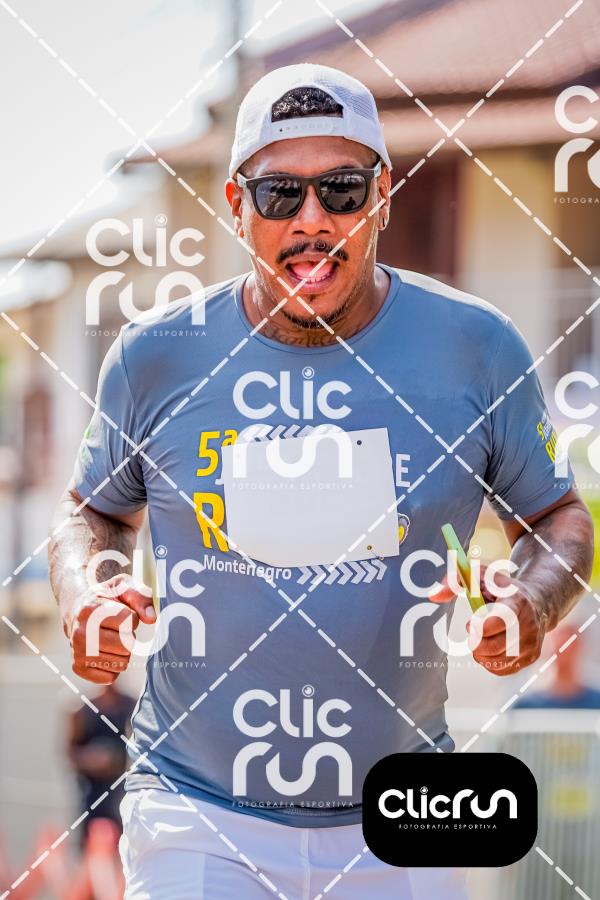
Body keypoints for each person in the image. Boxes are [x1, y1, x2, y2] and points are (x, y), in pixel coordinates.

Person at [49, 64, 594, 898]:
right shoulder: (156, 355)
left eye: (342, 190)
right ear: (236, 206)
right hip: (196, 807)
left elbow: (557, 516)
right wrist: (88, 592)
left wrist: (531, 603)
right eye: (280, 195)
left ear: (383, 198)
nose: (312, 220)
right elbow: (90, 513)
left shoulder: (476, 347)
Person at [66, 681, 136, 843]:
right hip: (91, 791)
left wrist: (116, 758)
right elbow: (70, 752)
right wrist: (91, 758)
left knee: (123, 841)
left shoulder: (130, 706)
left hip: (122, 788)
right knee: (89, 842)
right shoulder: (80, 708)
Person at [514, 620, 600, 709]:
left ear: (580, 646)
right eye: (559, 644)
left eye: (570, 643)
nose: (565, 651)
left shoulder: (597, 702)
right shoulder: (526, 706)